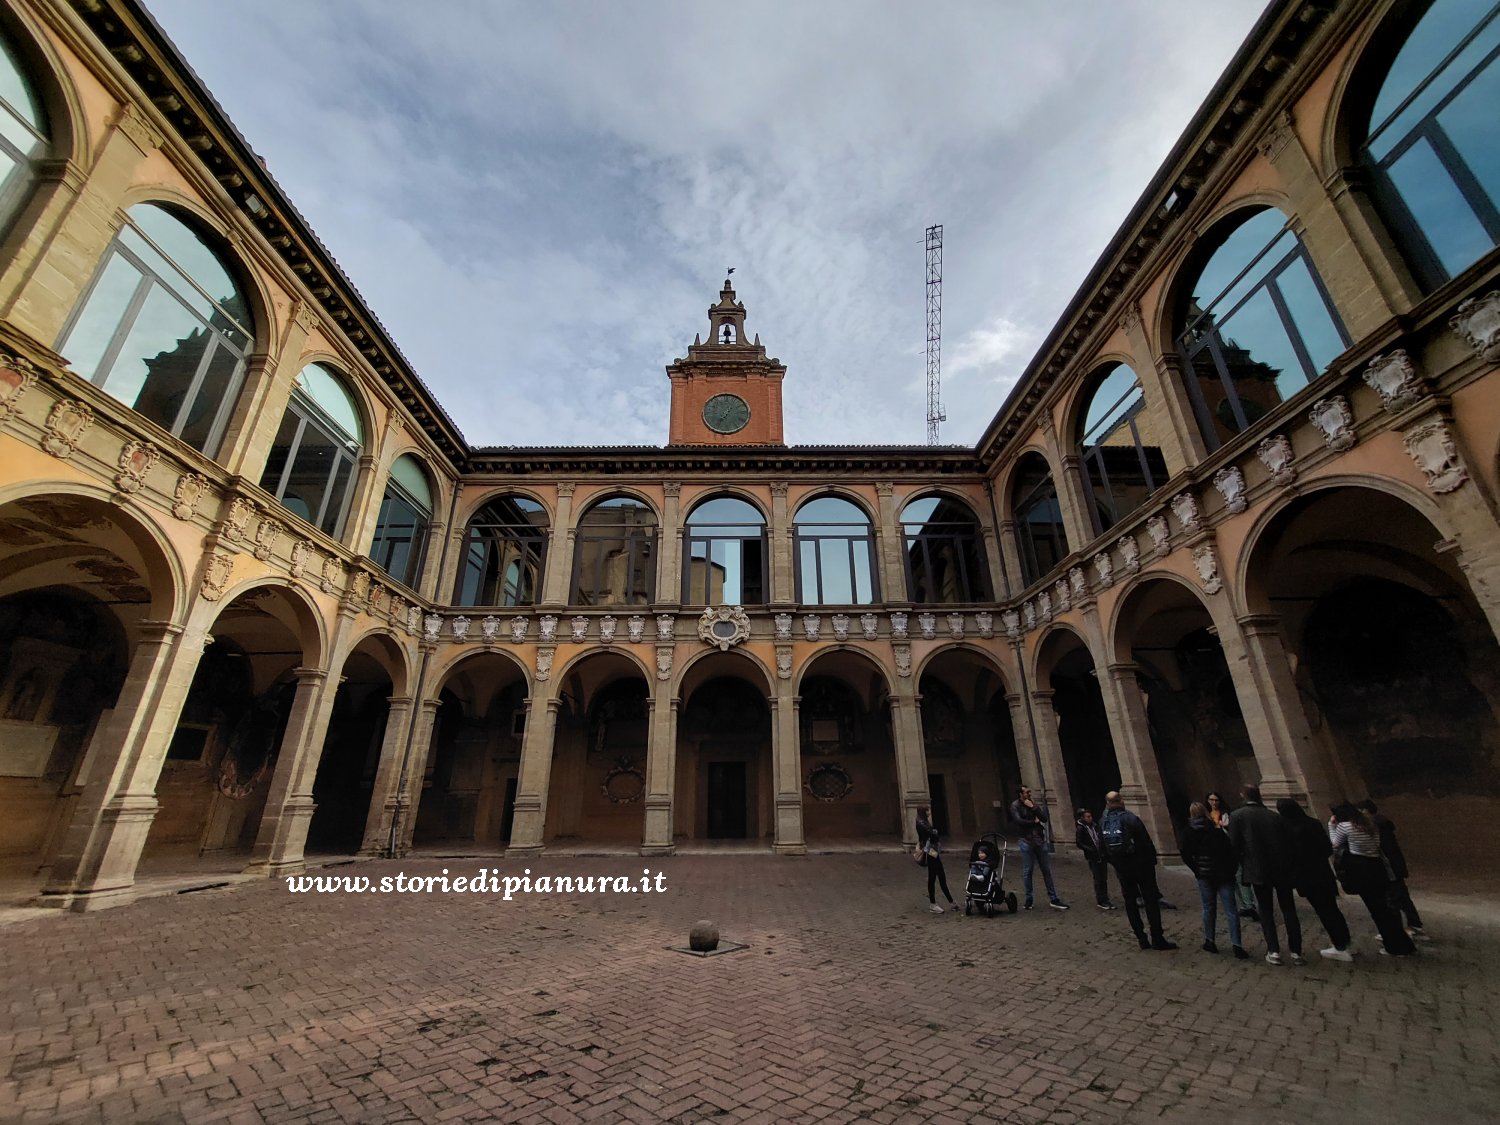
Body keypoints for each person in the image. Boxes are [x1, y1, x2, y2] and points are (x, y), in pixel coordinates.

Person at [1226, 784, 1303, 966]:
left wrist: (1235, 867)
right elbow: (1289, 845)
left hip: (1257, 869)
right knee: (1289, 909)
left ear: (1243, 795)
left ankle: (1273, 950)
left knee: (1266, 909)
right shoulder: (1275, 817)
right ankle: (1296, 951)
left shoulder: (1237, 816)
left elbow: (1234, 846)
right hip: (1281, 869)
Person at [1330, 803, 1416, 956]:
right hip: (1377, 867)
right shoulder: (1370, 824)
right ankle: (1403, 943)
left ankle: (1394, 946)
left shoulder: (1345, 826)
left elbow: (1335, 844)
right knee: (1386, 908)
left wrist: (1331, 826)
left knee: (1377, 911)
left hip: (1361, 870)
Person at [1277, 798, 1354, 962]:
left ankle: (1340, 947)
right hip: (1323, 873)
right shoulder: (1313, 823)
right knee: (1332, 909)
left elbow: (1287, 855)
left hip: (1306, 877)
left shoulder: (1286, 829)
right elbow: (1328, 848)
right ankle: (1345, 942)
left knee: (1324, 911)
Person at [1098, 791, 1176, 950]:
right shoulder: (1131, 818)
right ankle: (1157, 937)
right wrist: (1151, 862)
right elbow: (1146, 843)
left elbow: (1102, 848)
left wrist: (1116, 864)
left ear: (1107, 804)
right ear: (1121, 801)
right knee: (1150, 901)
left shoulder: (1103, 821)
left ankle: (1141, 938)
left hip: (1122, 868)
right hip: (1141, 866)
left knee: (1130, 902)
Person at [1179, 801, 1246, 958]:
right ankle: (1237, 944)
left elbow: (1185, 854)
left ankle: (1210, 941)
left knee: (1208, 908)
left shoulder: (1188, 832)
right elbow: (1230, 851)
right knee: (1231, 910)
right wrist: (1231, 870)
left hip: (1204, 874)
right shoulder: (1215, 830)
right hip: (1223, 874)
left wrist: (1196, 869)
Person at [1358, 799, 1424, 938]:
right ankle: (1414, 925)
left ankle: (1397, 930)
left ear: (1365, 810)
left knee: (1392, 899)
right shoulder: (1384, 823)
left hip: (1388, 868)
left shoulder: (1374, 826)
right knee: (1403, 897)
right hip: (1395, 866)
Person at [1009, 786, 1068, 910]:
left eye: (1030, 792)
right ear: (1021, 794)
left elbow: (1044, 819)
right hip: (1026, 840)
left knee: (1046, 870)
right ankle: (1029, 899)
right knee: (1027, 871)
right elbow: (1018, 821)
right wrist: (1034, 822)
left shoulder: (1033, 804)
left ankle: (1053, 898)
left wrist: (1033, 808)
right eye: (1027, 792)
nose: (1029, 794)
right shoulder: (1015, 805)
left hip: (1039, 840)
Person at [1207, 790, 1257, 923]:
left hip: (1230, 847)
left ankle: (1249, 904)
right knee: (1231, 878)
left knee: (1239, 875)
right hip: (1218, 849)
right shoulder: (1207, 815)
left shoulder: (1226, 814)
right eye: (1211, 800)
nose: (1213, 802)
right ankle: (1244, 904)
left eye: (1215, 800)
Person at [915, 806, 957, 915]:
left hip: (932, 851)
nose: (928, 813)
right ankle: (934, 904)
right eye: (927, 811)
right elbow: (932, 835)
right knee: (934, 876)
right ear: (923, 812)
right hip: (930, 852)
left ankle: (951, 902)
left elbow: (933, 834)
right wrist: (934, 832)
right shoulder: (921, 823)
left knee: (940, 875)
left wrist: (934, 833)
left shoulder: (923, 821)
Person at [1074, 808, 1115, 910]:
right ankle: (1101, 900)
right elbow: (1079, 842)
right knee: (1098, 879)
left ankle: (1105, 899)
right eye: (1088, 817)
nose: (1090, 818)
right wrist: (1090, 850)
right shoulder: (1081, 828)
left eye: (1090, 816)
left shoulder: (1095, 826)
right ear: (1083, 818)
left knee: (1103, 878)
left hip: (1100, 854)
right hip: (1093, 856)